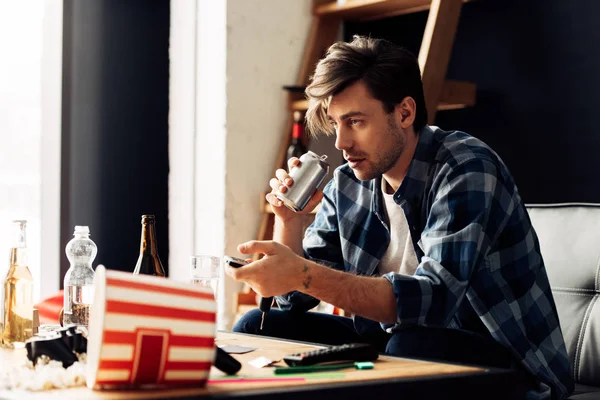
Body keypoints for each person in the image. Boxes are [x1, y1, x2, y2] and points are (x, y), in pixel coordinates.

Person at [225, 36, 573, 399]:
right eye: (336, 123)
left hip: (511, 367)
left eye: (355, 121)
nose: (341, 143)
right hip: (396, 344)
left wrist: (302, 273)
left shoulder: (465, 167)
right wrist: (289, 221)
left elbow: (431, 302)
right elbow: (292, 299)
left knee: (410, 345)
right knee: (257, 325)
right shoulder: (349, 181)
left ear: (404, 113)